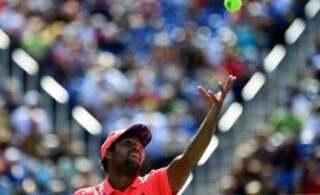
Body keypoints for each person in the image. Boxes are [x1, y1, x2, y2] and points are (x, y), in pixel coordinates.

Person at [73, 75, 237, 195]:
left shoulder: (154, 184)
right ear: (108, 153)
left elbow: (188, 160)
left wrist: (211, 118)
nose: (136, 149)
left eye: (139, 147)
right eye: (128, 144)